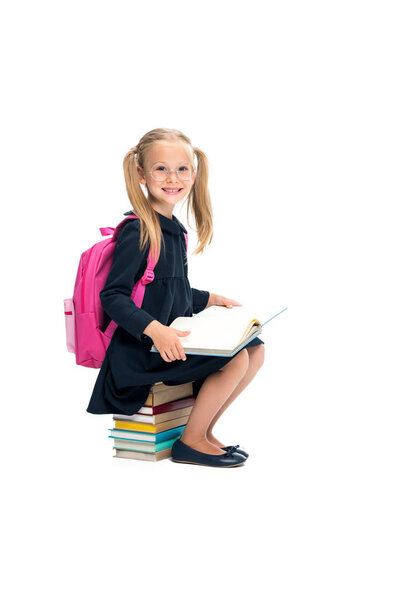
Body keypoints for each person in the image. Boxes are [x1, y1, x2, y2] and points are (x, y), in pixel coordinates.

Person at [87, 127, 265, 467]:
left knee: (254, 348)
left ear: (194, 173)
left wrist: (210, 298)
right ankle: (191, 441)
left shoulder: (173, 229)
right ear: (141, 174)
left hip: (165, 343)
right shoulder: (139, 230)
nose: (173, 178)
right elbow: (113, 296)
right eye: (161, 169)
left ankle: (204, 432)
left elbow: (168, 289)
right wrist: (155, 329)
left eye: (182, 168)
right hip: (140, 350)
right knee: (236, 358)